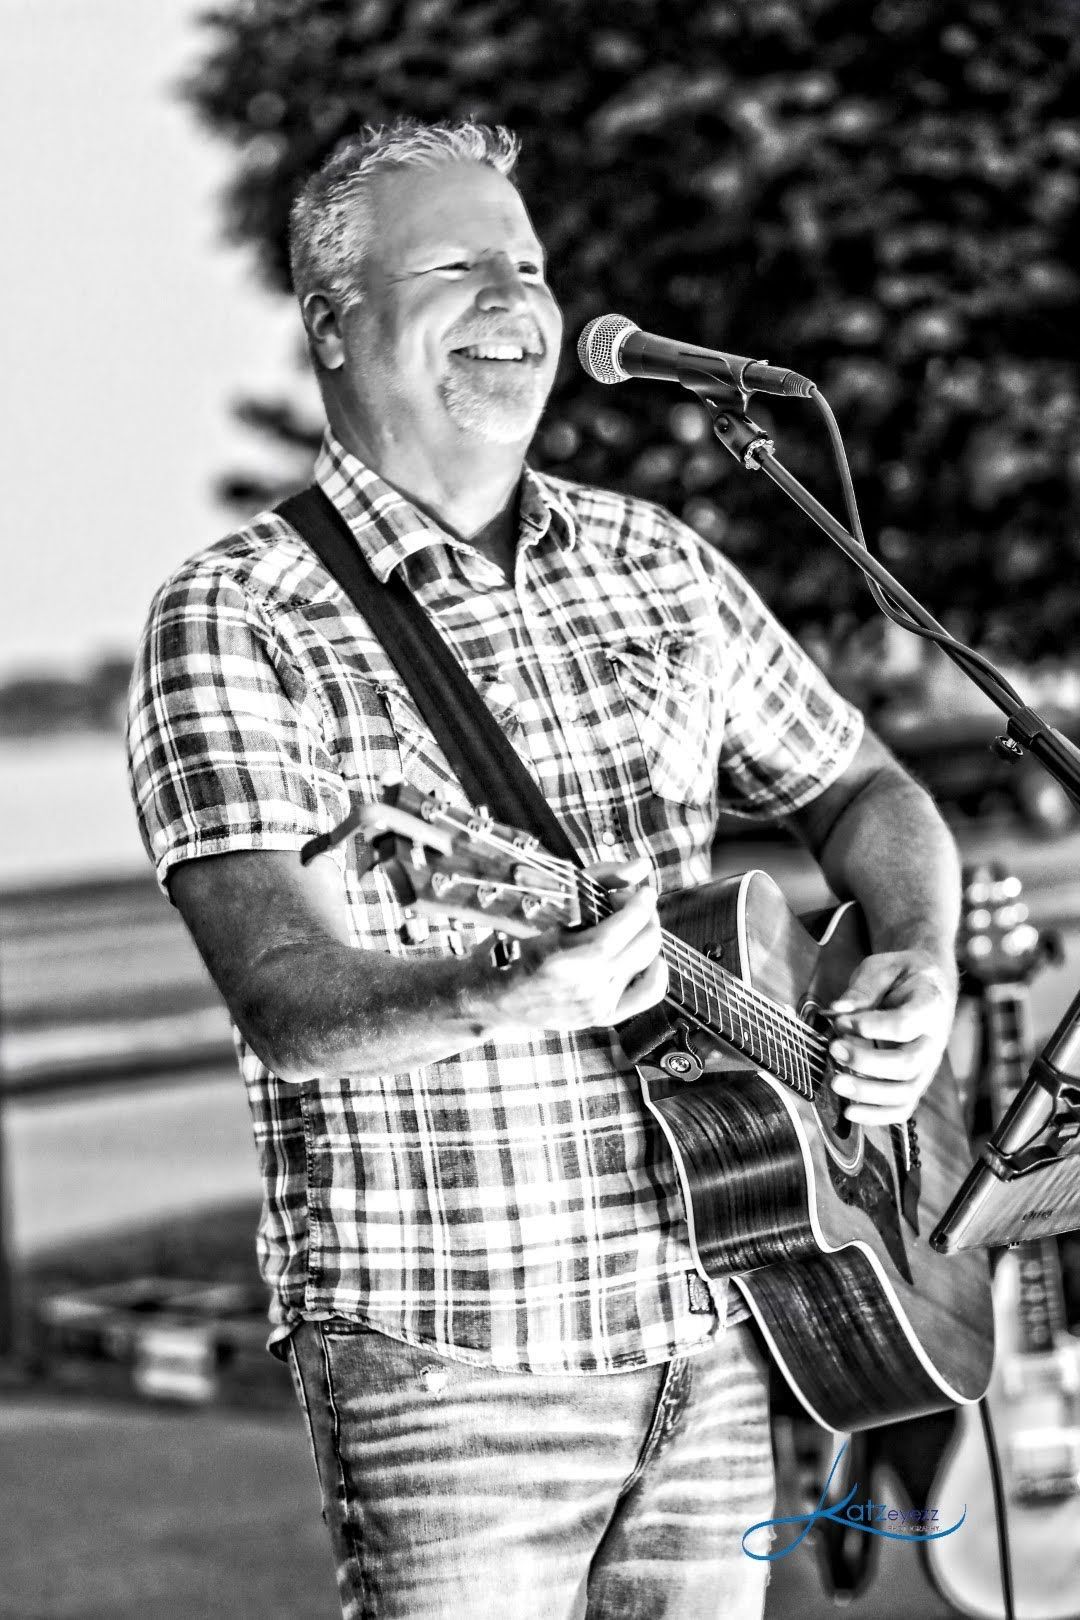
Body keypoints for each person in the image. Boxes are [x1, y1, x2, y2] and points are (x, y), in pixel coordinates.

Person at [126, 119, 962, 1620]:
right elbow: (290, 996)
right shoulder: (238, 618)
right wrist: (513, 983)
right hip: (451, 1364)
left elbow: (865, 790)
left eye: (530, 264)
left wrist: (917, 955)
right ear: (332, 323)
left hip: (717, 1333)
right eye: (459, 267)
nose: (521, 302)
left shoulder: (659, 560)